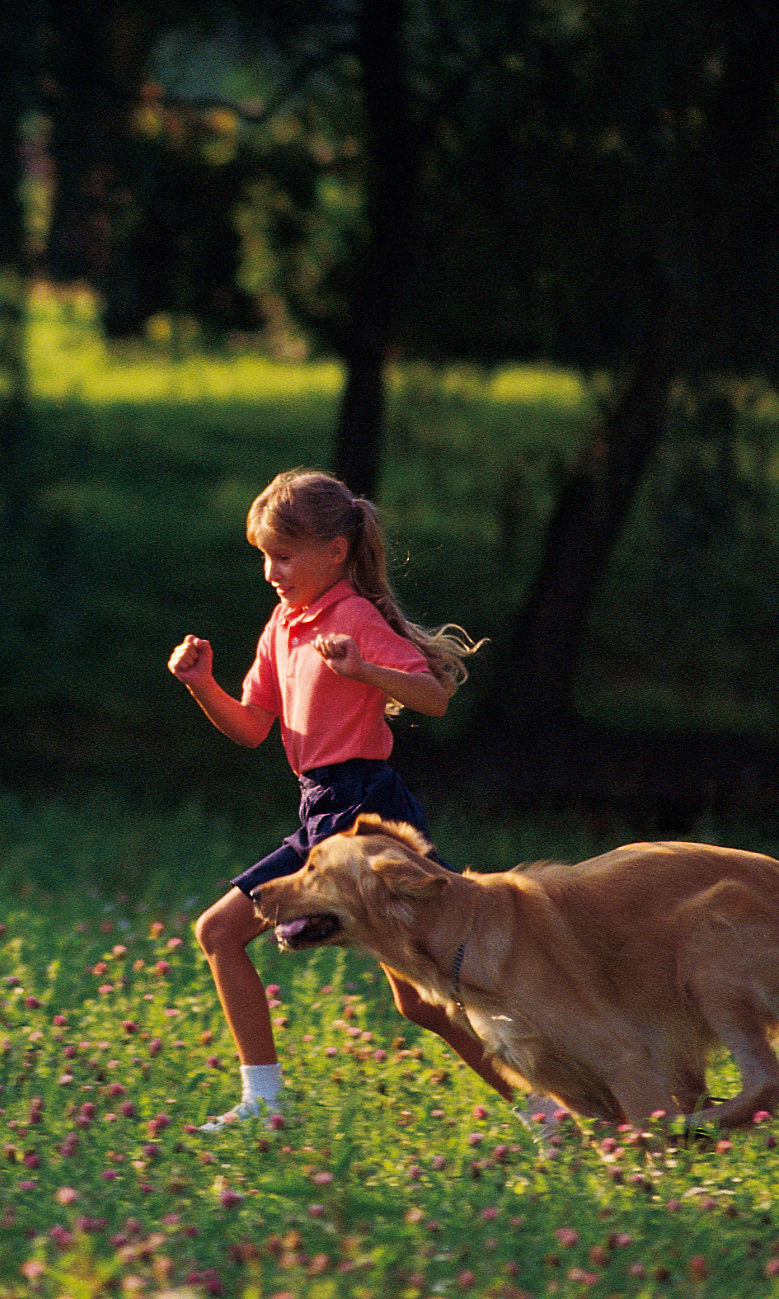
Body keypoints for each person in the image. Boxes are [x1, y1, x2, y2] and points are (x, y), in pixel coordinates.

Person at [168, 467, 547, 1132]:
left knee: (439, 984)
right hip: (321, 812)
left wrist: (364, 670)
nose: (270, 572)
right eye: (263, 556)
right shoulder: (284, 624)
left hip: (366, 813)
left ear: (334, 552)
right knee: (421, 1002)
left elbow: (433, 693)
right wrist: (202, 684)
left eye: (282, 556)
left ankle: (555, 1092)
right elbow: (254, 726)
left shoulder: (353, 617)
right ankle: (545, 1106)